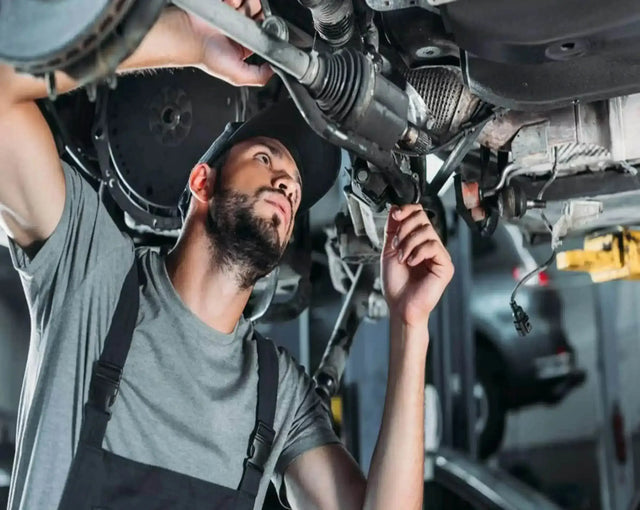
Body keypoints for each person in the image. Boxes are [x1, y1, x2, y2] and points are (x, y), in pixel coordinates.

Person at [0, 2, 454, 509]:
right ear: (202, 180)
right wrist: (187, 40)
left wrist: (410, 327)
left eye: (297, 191)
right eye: (265, 159)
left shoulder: (275, 393)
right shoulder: (90, 274)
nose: (286, 182)